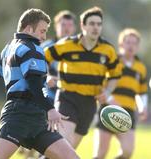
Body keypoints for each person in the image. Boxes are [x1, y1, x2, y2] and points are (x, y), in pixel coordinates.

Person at [0, 8, 79, 159]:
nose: (44, 36)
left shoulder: (9, 48)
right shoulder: (32, 48)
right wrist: (50, 109)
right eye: (42, 31)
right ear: (29, 28)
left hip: (36, 118)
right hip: (20, 115)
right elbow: (34, 84)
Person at [44, 6, 122, 149]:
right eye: (92, 24)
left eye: (99, 24)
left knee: (69, 150)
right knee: (64, 146)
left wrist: (108, 91)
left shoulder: (108, 50)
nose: (95, 28)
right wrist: (47, 75)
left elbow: (115, 75)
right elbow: (42, 58)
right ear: (82, 25)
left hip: (90, 103)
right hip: (67, 98)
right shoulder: (66, 44)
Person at [93, 28, 148, 159]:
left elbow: (142, 92)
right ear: (121, 44)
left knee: (128, 151)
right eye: (128, 42)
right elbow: (98, 83)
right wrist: (110, 98)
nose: (131, 46)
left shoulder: (141, 67)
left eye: (134, 43)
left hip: (128, 113)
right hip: (108, 109)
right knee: (101, 153)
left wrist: (143, 107)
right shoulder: (113, 61)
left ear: (138, 46)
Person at [42, 10, 76, 104]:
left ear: (74, 28)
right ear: (56, 27)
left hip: (73, 99)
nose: (66, 28)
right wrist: (47, 77)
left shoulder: (81, 49)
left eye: (70, 25)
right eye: (63, 25)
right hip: (50, 97)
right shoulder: (46, 47)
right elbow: (37, 68)